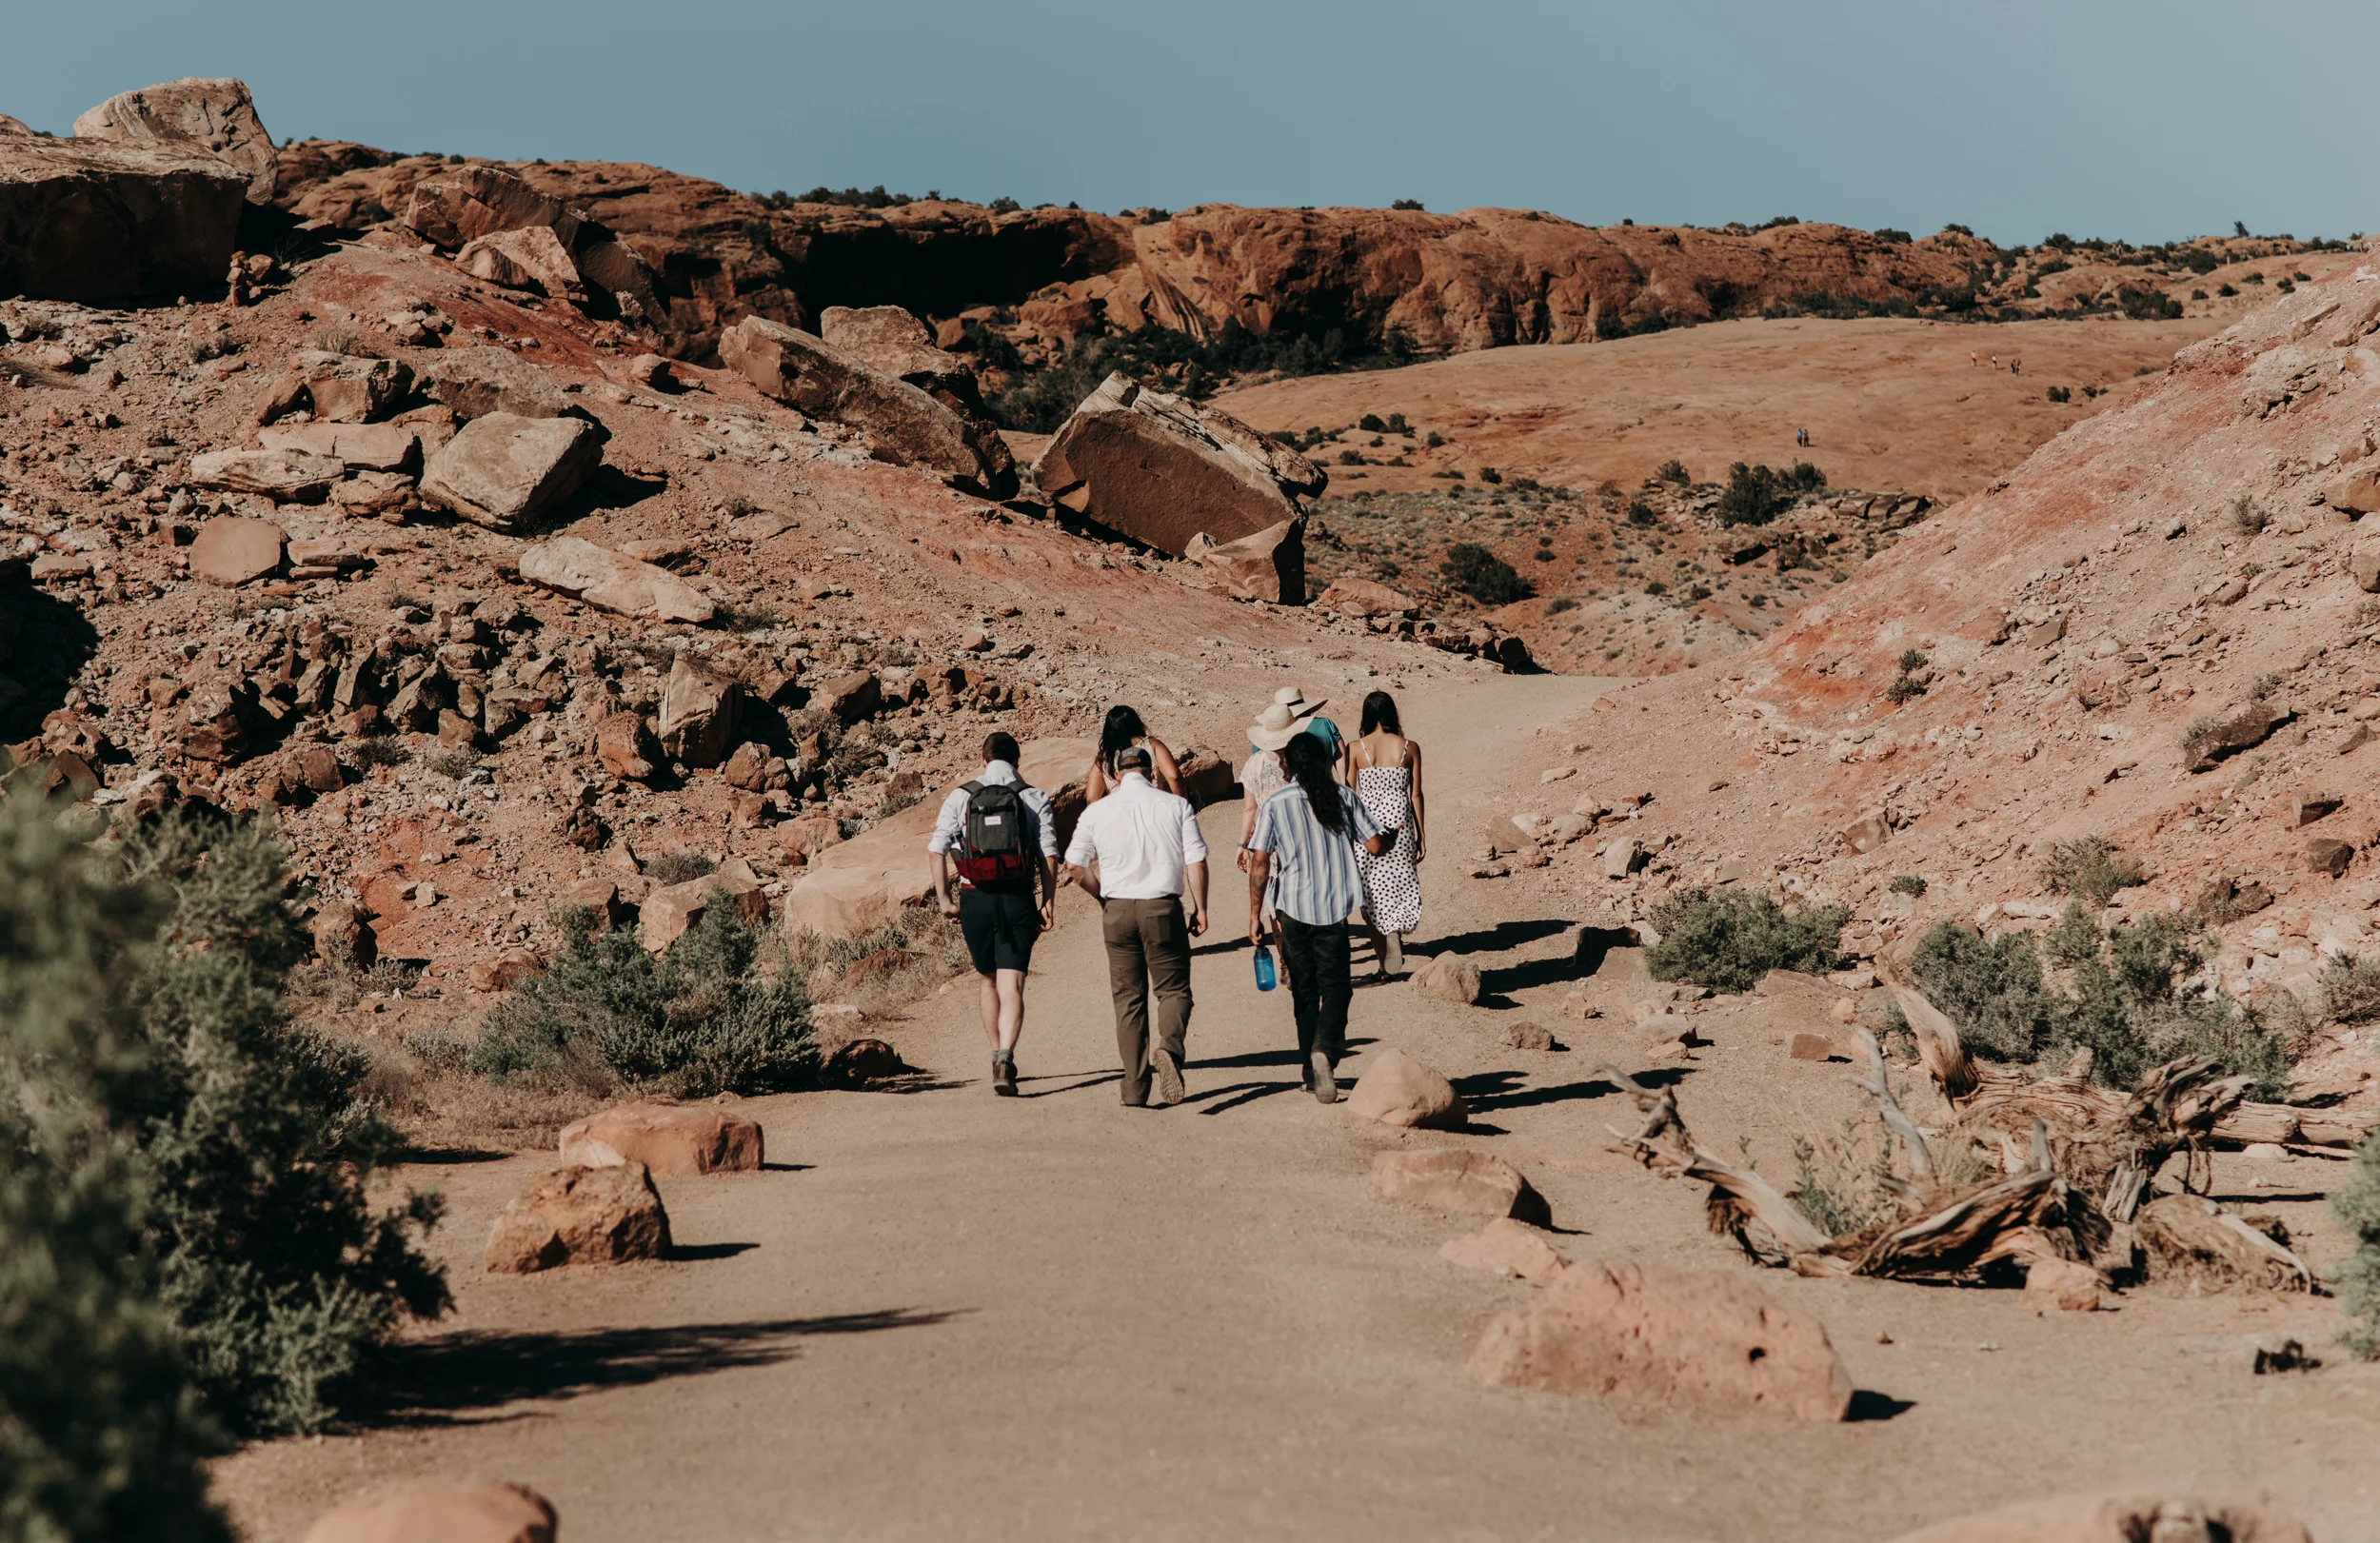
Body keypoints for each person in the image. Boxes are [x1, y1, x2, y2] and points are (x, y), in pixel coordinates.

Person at [1246, 732, 1390, 1104]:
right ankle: (1325, 1049)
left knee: (1305, 993)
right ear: (1327, 761)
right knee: (1337, 989)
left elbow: (1260, 862)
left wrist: (1254, 915)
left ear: (1287, 765)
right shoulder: (1343, 797)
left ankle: (1311, 1074)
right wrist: (1392, 836)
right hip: (1332, 914)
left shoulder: (1276, 803)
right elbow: (1375, 844)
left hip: (1292, 912)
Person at [1065, 743, 1209, 1108]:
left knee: (1128, 1000)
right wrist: (1201, 908)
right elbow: (1195, 859)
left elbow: (1075, 865)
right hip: (1161, 907)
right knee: (1174, 991)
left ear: (1116, 776)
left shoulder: (1098, 811)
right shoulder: (1176, 806)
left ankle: (1134, 1088)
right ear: (1152, 773)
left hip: (1117, 910)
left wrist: (1101, 897)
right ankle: (1171, 1053)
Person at [929, 731, 1059, 1097]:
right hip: (1018, 898)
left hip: (975, 898)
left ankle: (993, 1052)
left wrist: (943, 898)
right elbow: (1048, 853)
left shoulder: (961, 796)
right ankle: (1007, 1054)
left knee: (988, 980)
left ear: (983, 761)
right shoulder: (1033, 797)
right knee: (1012, 983)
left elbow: (936, 849)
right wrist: (1048, 902)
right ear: (1018, 762)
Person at [1343, 690, 1425, 976]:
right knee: (1399, 884)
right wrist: (1422, 835)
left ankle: (1383, 963)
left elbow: (1349, 794)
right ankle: (1396, 929)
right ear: (1392, 714)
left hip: (1367, 827)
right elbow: (1415, 794)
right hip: (1401, 824)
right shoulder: (1409, 747)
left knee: (1370, 892)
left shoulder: (1355, 748)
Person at [1238, 700, 1308, 974]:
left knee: (1273, 903)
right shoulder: (1301, 760)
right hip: (1300, 836)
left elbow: (1248, 808)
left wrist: (1243, 844)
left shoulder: (1253, 765)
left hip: (1267, 842)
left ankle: (1285, 962)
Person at [1084, 704, 1181, 803]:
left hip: (1121, 813)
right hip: (1152, 808)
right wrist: (1182, 805)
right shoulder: (1151, 745)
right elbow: (1174, 777)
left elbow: (1091, 798)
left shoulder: (1105, 757)